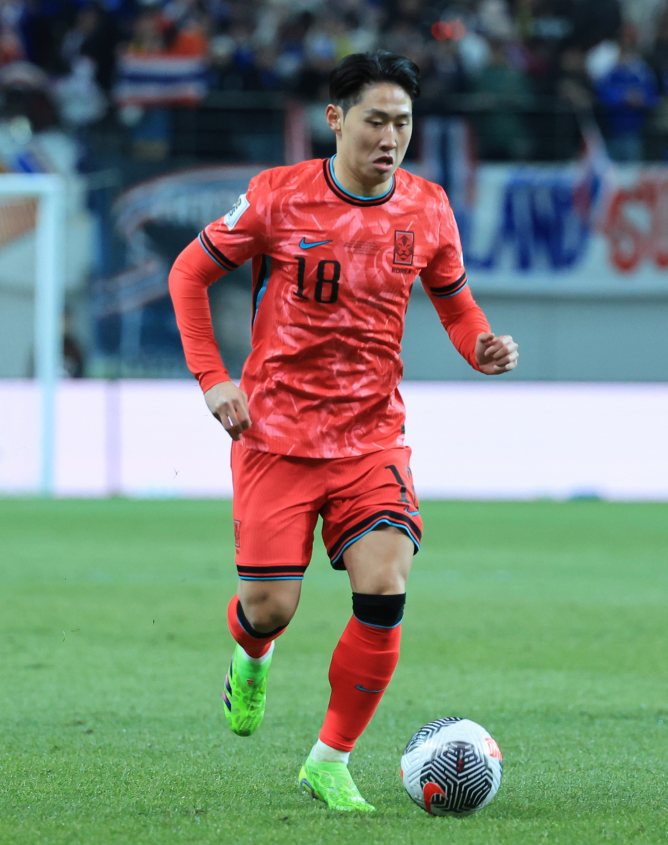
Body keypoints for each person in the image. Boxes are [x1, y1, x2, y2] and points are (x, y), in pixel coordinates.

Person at [166, 50, 519, 812]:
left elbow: (456, 306)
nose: (391, 136)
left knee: (386, 582)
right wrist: (213, 380)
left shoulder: (427, 208)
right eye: (375, 120)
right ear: (335, 120)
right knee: (271, 608)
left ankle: (330, 759)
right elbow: (187, 275)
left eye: (403, 122)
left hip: (370, 439)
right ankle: (251, 654)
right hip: (275, 436)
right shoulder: (275, 199)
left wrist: (481, 345)